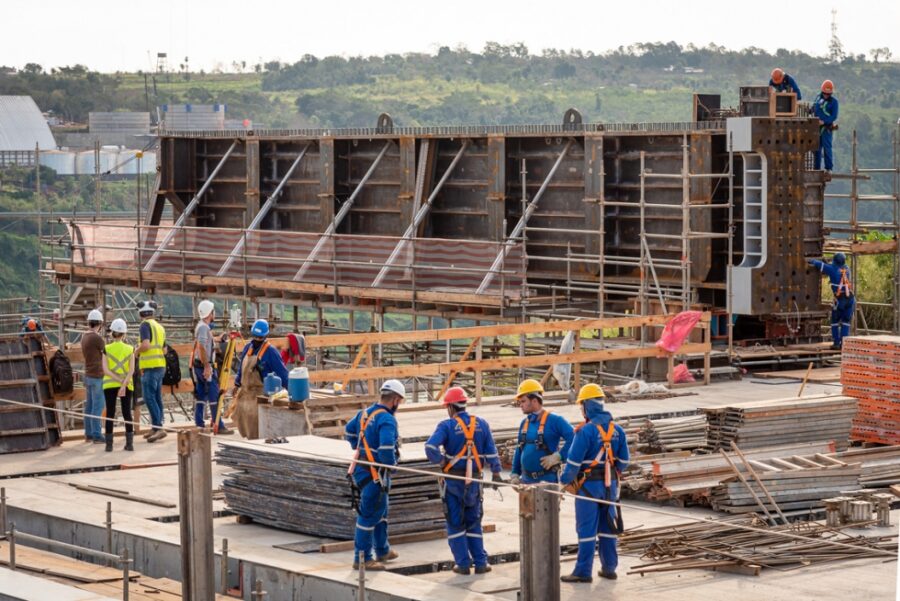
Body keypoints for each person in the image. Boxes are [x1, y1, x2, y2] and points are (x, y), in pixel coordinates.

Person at [425, 387, 503, 575]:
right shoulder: (482, 424)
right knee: (473, 521)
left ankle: (463, 564)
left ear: (451, 407)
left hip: (453, 481)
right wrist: (496, 473)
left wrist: (442, 461)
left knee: (455, 522)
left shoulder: (446, 426)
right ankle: (481, 562)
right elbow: (492, 451)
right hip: (474, 482)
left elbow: (430, 447)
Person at [559, 383, 629, 584]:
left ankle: (583, 572)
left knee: (587, 530)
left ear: (585, 407)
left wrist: (563, 481)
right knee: (608, 527)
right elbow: (624, 462)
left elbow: (573, 463)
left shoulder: (585, 431)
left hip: (587, 488)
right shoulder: (618, 430)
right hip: (610, 488)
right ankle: (609, 568)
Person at [344, 379, 405, 571]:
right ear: (395, 399)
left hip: (363, 469)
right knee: (369, 515)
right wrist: (391, 466)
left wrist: (359, 448)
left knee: (382, 510)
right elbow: (387, 448)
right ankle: (362, 558)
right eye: (400, 402)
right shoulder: (387, 419)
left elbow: (349, 431)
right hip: (375, 474)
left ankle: (382, 549)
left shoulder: (364, 413)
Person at [230, 319, 288, 439]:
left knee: (257, 429)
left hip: (260, 397)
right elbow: (242, 368)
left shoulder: (271, 352)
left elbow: (283, 374)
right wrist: (236, 384)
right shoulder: (247, 348)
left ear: (265, 336)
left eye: (260, 338)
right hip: (246, 395)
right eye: (255, 337)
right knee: (245, 425)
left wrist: (292, 391)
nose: (257, 340)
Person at [509, 379, 575, 486]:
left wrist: (559, 456)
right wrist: (515, 474)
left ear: (534, 400)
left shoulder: (555, 420)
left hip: (548, 481)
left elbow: (575, 437)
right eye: (519, 402)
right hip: (526, 482)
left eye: (523, 401)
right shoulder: (524, 423)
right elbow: (519, 448)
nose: (520, 405)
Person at [192, 300, 231, 433]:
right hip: (204, 367)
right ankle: (218, 426)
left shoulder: (202, 326)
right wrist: (207, 366)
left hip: (198, 366)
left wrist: (217, 339)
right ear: (210, 313)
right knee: (214, 395)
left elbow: (205, 341)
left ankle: (199, 424)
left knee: (201, 395)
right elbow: (201, 346)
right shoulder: (203, 327)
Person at [101, 318, 135, 452]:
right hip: (127, 384)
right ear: (124, 334)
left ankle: (109, 445)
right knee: (127, 413)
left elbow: (106, 370)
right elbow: (131, 370)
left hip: (109, 384)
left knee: (110, 412)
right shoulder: (130, 349)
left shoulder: (106, 349)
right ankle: (129, 444)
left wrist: (118, 381)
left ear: (112, 333)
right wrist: (123, 383)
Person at [809, 252, 854, 349]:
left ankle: (836, 343)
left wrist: (810, 260)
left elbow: (818, 264)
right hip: (850, 298)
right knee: (846, 321)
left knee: (834, 321)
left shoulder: (832, 269)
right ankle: (844, 344)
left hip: (840, 299)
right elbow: (833, 267)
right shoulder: (846, 268)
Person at [136, 300, 167, 442]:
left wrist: (136, 351)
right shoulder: (160, 327)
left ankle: (158, 427)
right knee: (157, 397)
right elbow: (165, 349)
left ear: (141, 313)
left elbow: (146, 345)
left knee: (149, 398)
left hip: (150, 367)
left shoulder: (144, 325)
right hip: (160, 365)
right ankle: (156, 426)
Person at [81, 309, 106, 444]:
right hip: (97, 375)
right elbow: (106, 351)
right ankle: (97, 434)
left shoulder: (84, 336)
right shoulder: (96, 338)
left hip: (88, 374)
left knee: (89, 406)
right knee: (98, 406)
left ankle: (89, 433)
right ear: (100, 324)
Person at [813, 79, 839, 175]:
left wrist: (824, 122)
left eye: (828, 94)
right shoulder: (818, 99)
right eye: (825, 93)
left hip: (826, 128)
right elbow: (814, 108)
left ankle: (828, 168)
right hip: (816, 128)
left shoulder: (834, 102)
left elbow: (834, 116)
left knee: (827, 148)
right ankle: (816, 169)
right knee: (817, 148)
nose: (826, 95)